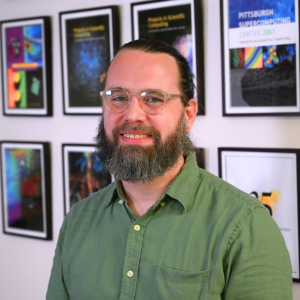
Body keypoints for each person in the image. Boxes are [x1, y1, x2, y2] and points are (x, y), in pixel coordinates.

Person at [47, 39, 292, 299]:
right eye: (118, 98)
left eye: (153, 99)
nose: (132, 115)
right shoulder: (78, 221)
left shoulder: (246, 226)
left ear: (187, 115)